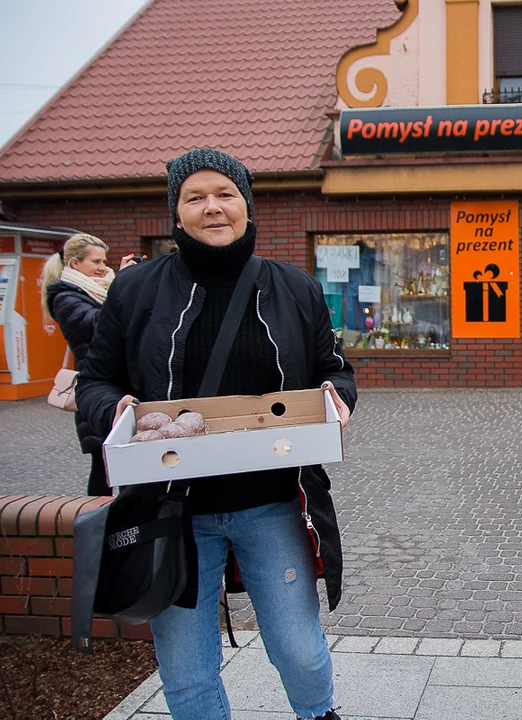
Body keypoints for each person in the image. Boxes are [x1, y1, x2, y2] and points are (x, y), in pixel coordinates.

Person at [76, 148, 357, 720]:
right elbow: (96, 380)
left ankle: (318, 712)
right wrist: (116, 410)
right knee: (186, 669)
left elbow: (333, 367)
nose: (212, 208)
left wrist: (337, 397)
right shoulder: (135, 290)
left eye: (225, 194)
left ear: (247, 205)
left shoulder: (294, 287)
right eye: (195, 197)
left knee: (302, 651)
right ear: (176, 213)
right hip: (169, 511)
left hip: (273, 500)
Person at [41, 234, 140, 496]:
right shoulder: (64, 296)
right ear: (75, 263)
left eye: (105, 261)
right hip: (95, 388)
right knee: (103, 465)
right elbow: (99, 324)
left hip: (119, 385)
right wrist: (122, 284)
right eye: (95, 261)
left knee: (131, 462)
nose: (102, 267)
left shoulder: (100, 289)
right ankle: (97, 523)